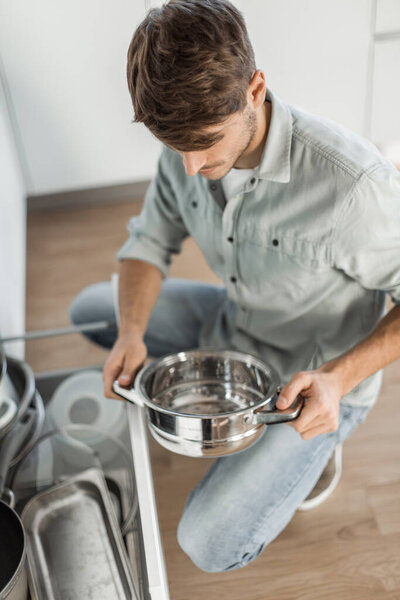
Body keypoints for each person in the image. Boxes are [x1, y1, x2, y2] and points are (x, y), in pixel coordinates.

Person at [70, 0, 400, 573]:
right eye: (178, 148)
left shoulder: (352, 186)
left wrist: (339, 379)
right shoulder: (187, 152)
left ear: (255, 90)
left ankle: (321, 443)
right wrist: (131, 332)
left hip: (314, 374)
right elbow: (148, 245)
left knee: (208, 543)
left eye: (206, 141)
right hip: (236, 320)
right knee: (95, 309)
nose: (192, 167)